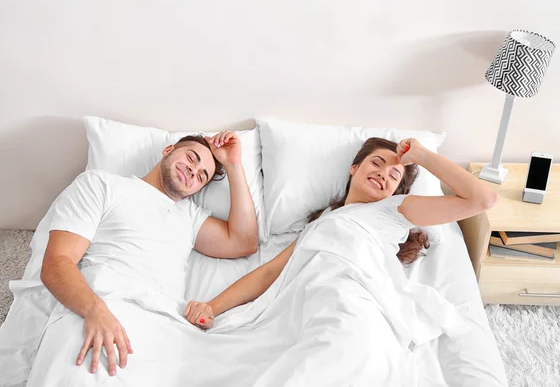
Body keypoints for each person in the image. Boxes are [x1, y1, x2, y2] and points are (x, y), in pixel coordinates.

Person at [184, 136, 498, 329]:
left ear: (395, 191)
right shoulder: (322, 224)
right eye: (376, 163)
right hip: (311, 298)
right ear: (354, 168)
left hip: (356, 298)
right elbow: (269, 273)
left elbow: (483, 199)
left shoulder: (398, 209)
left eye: (394, 175)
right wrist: (212, 306)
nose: (382, 174)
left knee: (342, 335)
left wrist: (423, 156)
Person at [39, 131, 258, 377]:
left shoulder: (189, 217)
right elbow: (57, 262)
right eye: (191, 158)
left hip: (165, 327)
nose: (192, 172)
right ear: (168, 150)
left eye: (201, 176)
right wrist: (94, 310)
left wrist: (233, 165)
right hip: (102, 306)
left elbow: (245, 241)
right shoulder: (102, 185)